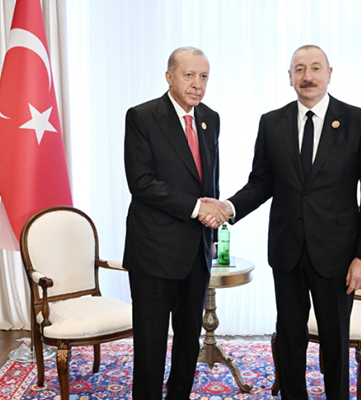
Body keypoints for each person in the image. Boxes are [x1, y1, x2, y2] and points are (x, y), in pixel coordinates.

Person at [202, 45, 361, 399]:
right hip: (287, 251)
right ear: (290, 78)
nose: (308, 76)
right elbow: (261, 183)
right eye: (299, 69)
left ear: (330, 73)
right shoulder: (272, 123)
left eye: (315, 68)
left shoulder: (360, 122)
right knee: (289, 337)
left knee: (335, 340)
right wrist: (228, 207)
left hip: (337, 255)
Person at [123, 46, 229, 400]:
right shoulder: (142, 117)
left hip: (196, 251)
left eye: (204, 77)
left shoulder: (210, 118)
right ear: (169, 77)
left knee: (188, 341)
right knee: (151, 345)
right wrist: (198, 208)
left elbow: (210, 181)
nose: (198, 84)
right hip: (154, 252)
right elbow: (141, 183)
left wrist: (213, 225)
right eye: (189, 75)